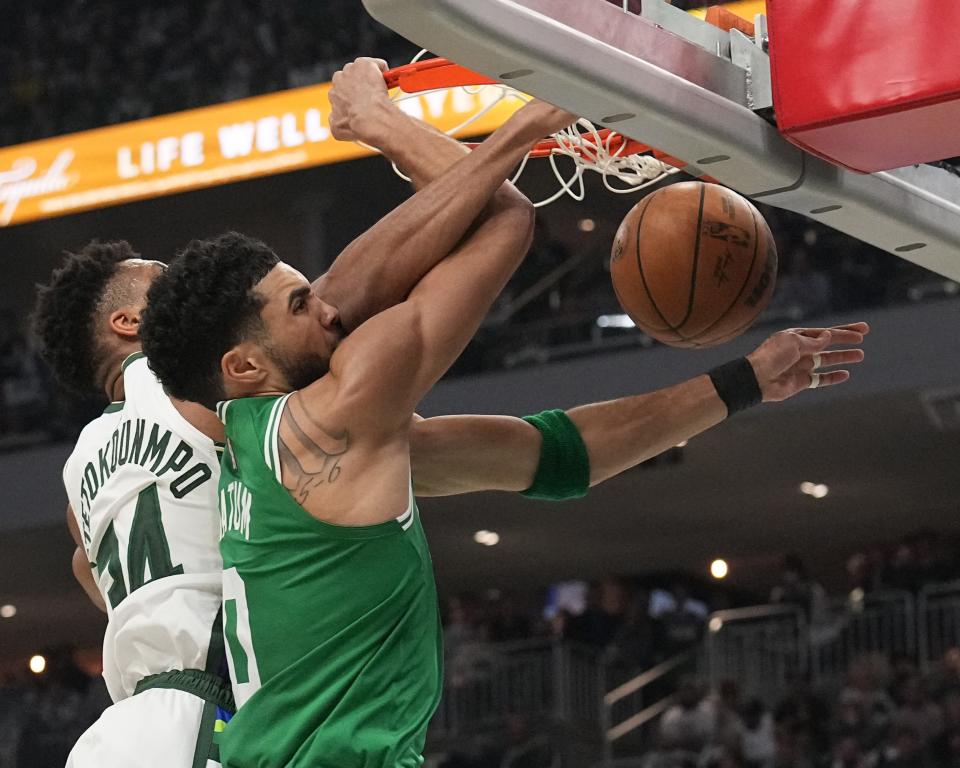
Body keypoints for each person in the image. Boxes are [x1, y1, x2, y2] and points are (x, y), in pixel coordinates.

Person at [140, 66, 868, 767]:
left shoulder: (280, 447)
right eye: (302, 305)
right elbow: (503, 221)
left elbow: (561, 456)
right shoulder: (342, 417)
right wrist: (520, 117)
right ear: (242, 366)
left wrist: (746, 381)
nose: (329, 306)